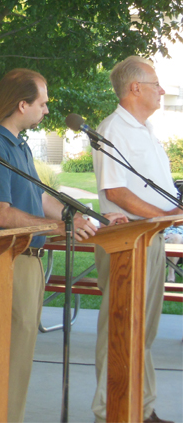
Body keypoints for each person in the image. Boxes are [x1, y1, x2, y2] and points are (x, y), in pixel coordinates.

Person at [0, 69, 127, 423]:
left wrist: (87, 220)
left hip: (28, 261)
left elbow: (39, 198)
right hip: (7, 262)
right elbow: (1, 214)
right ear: (22, 104)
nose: (47, 110)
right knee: (7, 360)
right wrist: (56, 227)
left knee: (19, 359)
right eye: (43, 102)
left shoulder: (17, 144)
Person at [91, 56, 180, 423]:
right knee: (120, 328)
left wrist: (168, 212)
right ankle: (108, 410)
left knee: (143, 330)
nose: (162, 90)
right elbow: (117, 191)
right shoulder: (113, 130)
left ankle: (141, 408)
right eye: (156, 83)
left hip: (151, 237)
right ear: (135, 88)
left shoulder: (144, 130)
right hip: (126, 241)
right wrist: (166, 215)